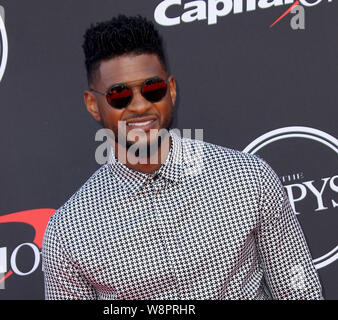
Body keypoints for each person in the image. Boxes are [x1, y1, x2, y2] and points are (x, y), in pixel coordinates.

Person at [42, 15, 322, 300]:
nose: (139, 106)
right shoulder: (69, 234)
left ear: (171, 90)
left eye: (152, 89)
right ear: (93, 104)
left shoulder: (249, 178)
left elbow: (298, 289)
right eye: (119, 95)